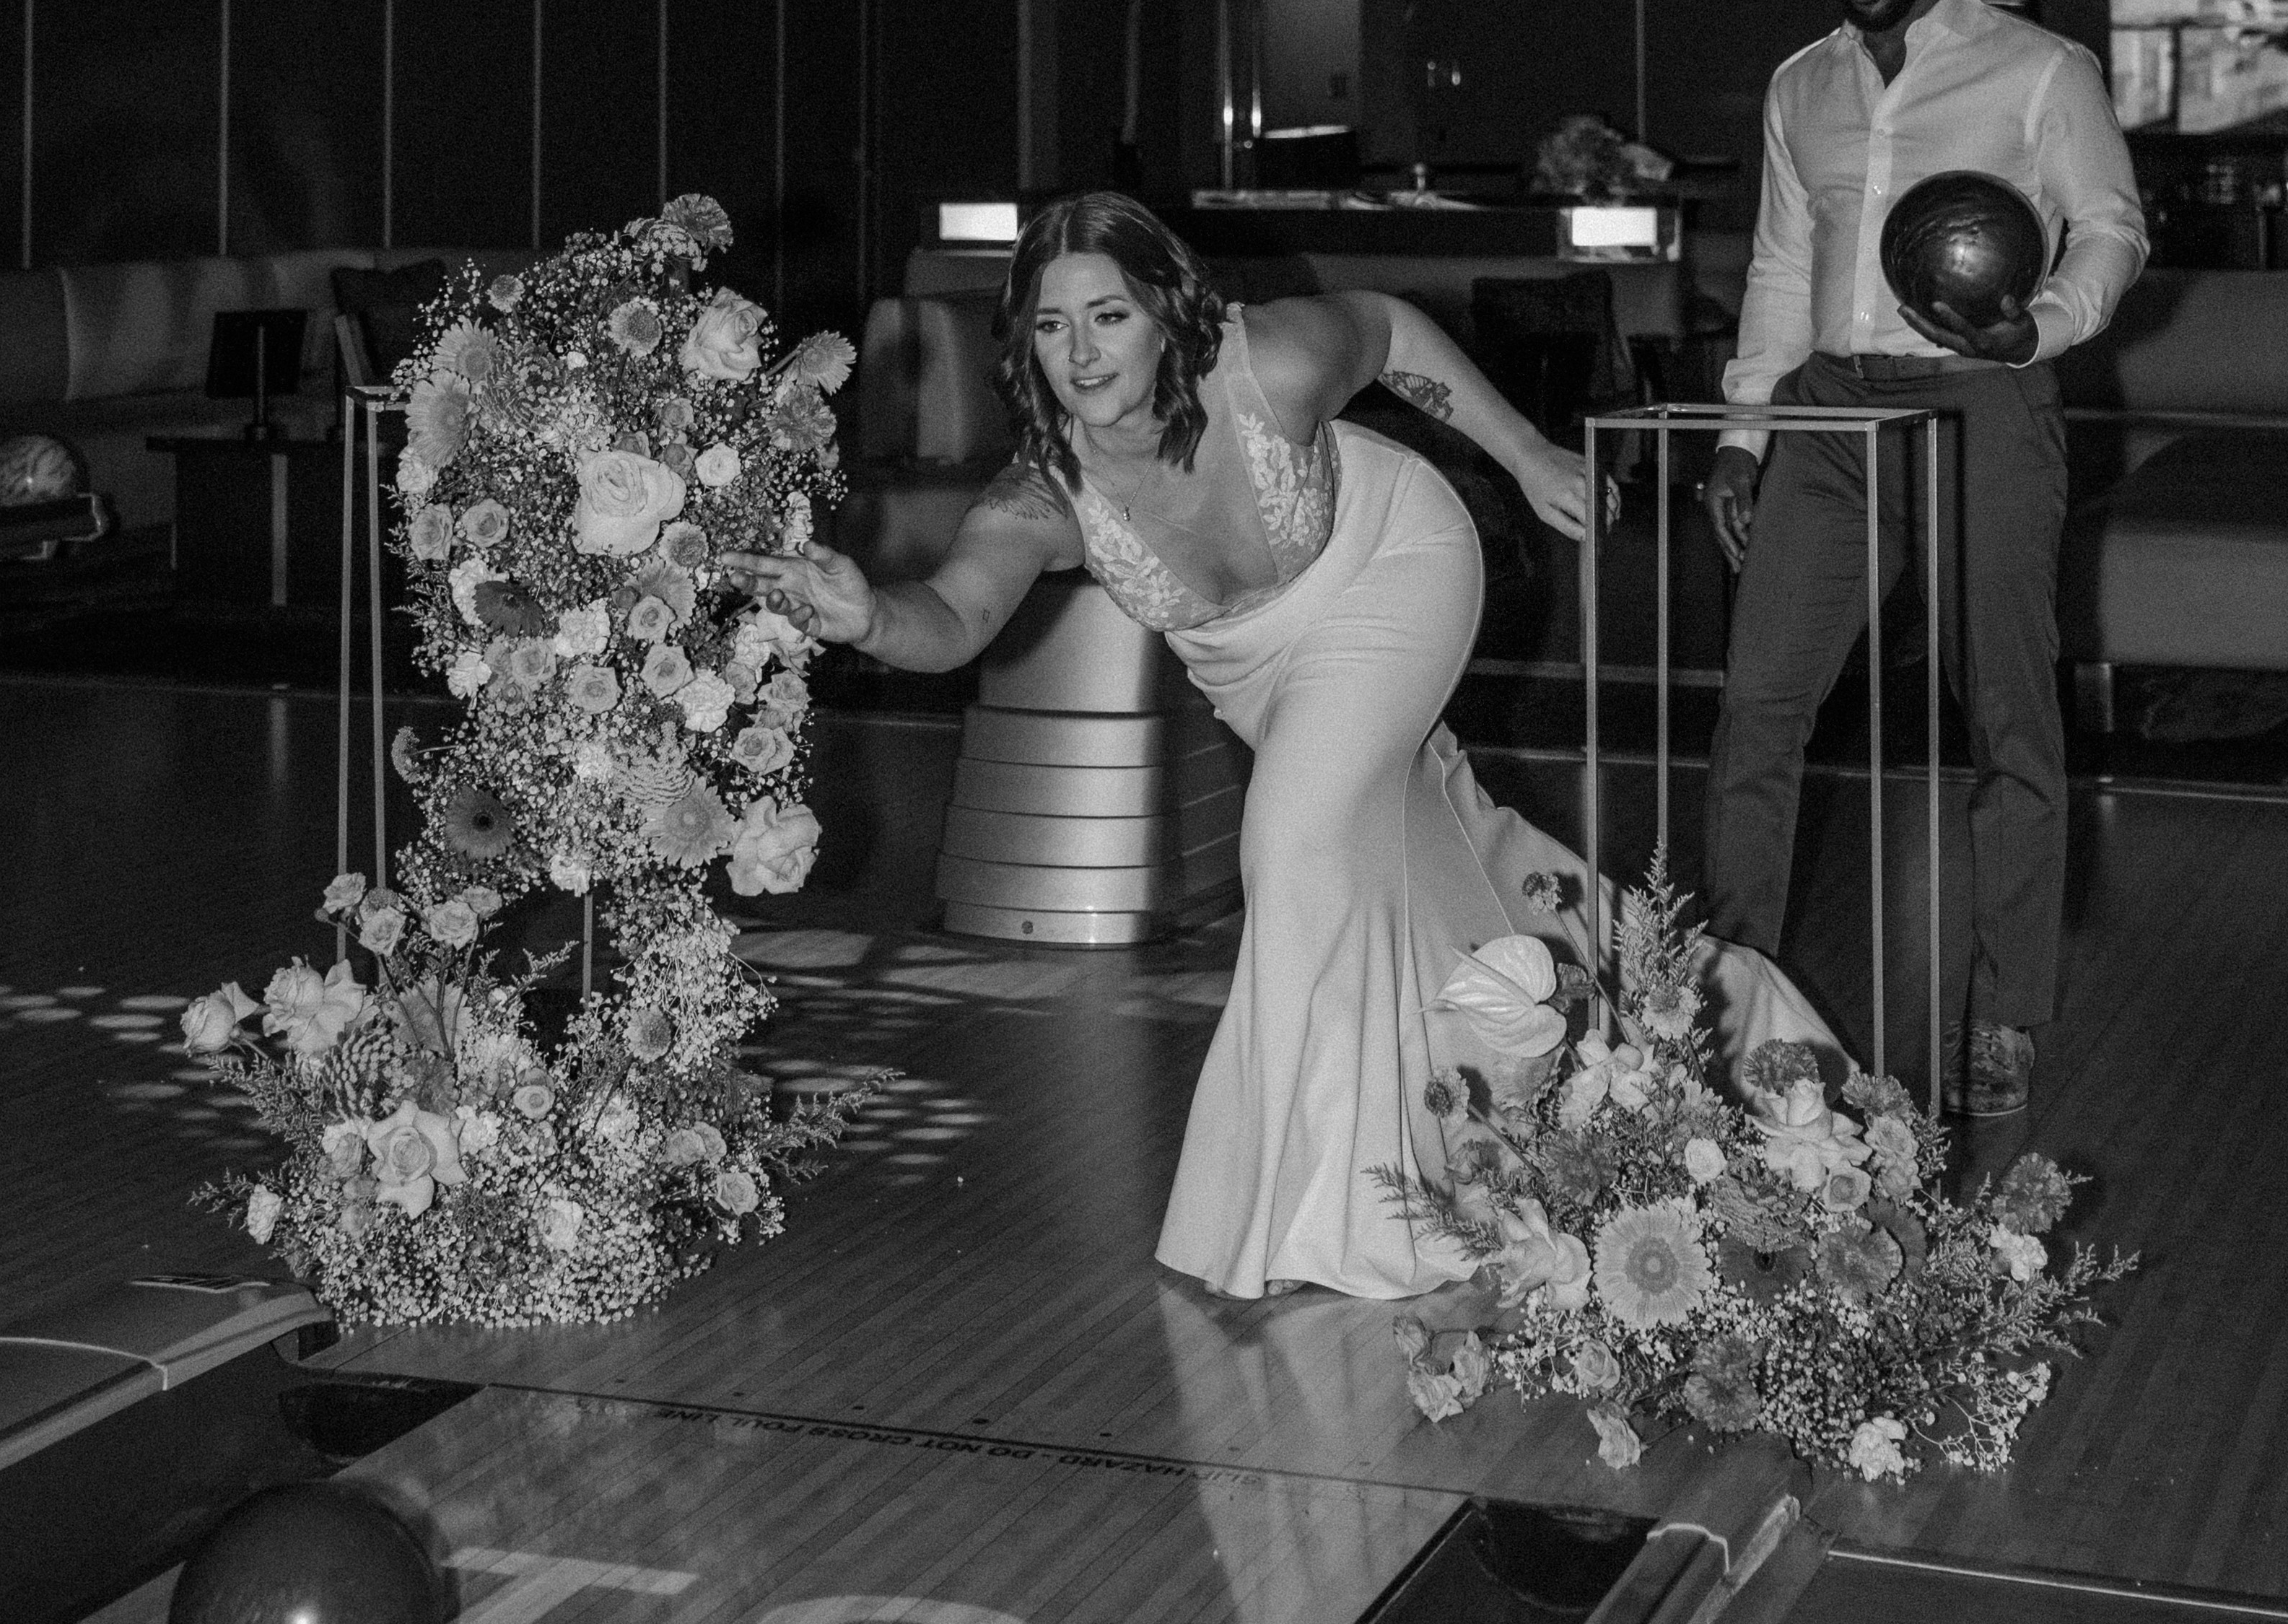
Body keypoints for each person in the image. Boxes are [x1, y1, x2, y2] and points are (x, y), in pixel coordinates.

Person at [745, 193, 1830, 1304]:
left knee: (1294, 839)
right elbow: (960, 615)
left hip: (1392, 565)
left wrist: (1527, 453)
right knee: (1440, 857)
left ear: (1166, 314)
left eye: (1108, 316)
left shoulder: (1269, 362)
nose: (1081, 352)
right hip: (1267, 676)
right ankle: (1696, 1008)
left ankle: (1325, 1209)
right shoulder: (1044, 491)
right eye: (1052, 326)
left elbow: (1394, 330)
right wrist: (870, 615)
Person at [1702, 0, 2147, 1125]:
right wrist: (1745, 434)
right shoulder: (1802, 88)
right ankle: (1730, 998)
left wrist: (2047, 321)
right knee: (1760, 703)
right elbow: (1785, 266)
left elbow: (2112, 223)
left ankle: (2005, 1013)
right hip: (1833, 412)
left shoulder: (2042, 69)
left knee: (2006, 715)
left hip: (1985, 402)